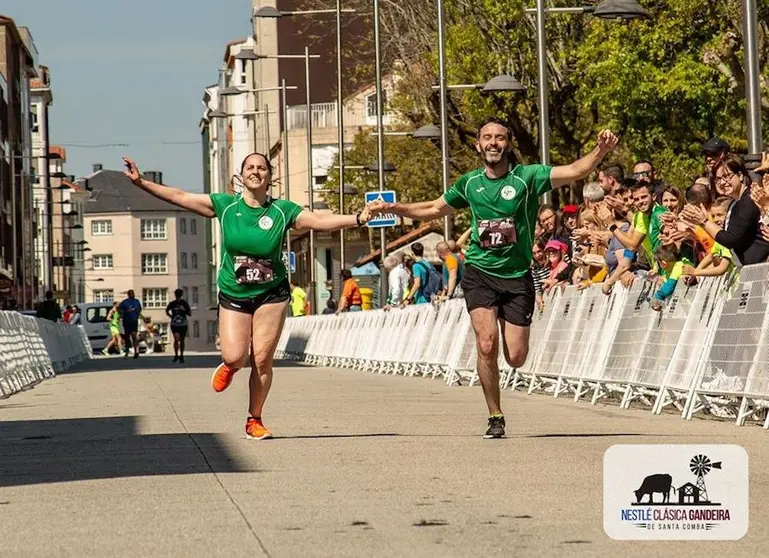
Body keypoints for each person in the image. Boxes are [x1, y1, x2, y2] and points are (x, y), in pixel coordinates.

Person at [367, 117, 619, 438]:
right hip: (479, 272)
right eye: (487, 137)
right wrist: (392, 207)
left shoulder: (528, 177)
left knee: (515, 357)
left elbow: (574, 171)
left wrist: (600, 150)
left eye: (500, 137)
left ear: (508, 144)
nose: (493, 142)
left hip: (516, 277)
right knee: (486, 344)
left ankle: (507, 359)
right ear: (478, 144)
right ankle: (495, 414)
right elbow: (432, 208)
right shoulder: (469, 184)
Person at [123, 153, 372, 440]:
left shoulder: (282, 210)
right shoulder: (225, 206)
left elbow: (317, 219)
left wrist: (358, 218)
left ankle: (255, 419)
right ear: (241, 175)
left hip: (272, 293)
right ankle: (230, 365)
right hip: (234, 292)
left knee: (263, 359)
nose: (256, 172)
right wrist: (141, 183)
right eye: (250, 168)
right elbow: (179, 196)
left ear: (269, 175)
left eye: (262, 168)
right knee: (236, 355)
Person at [166, 288, 191, 363]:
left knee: (181, 340)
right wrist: (170, 316)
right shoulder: (172, 303)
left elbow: (189, 313)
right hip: (175, 324)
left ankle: (181, 355)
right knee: (177, 339)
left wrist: (183, 309)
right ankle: (177, 355)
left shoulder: (184, 303)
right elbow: (167, 310)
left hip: (182, 324)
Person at [118, 290, 142, 358]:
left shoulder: (137, 301)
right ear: (128, 294)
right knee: (127, 337)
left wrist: (137, 315)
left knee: (134, 336)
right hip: (127, 321)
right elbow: (119, 309)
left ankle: (136, 351)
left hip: (134, 321)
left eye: (133, 293)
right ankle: (127, 351)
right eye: (131, 294)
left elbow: (140, 309)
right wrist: (123, 313)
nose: (132, 295)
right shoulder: (125, 302)